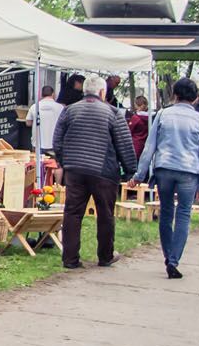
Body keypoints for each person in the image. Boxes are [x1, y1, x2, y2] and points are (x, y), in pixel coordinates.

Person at [53, 74, 137, 268]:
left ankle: (70, 258)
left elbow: (57, 140)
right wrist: (131, 170)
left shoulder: (69, 111)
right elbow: (124, 144)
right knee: (105, 213)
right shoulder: (113, 113)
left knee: (73, 213)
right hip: (104, 171)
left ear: (84, 92)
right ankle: (105, 255)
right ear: (102, 92)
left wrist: (64, 161)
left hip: (75, 170)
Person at [135, 77, 199, 279]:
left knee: (166, 212)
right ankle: (174, 259)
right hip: (189, 171)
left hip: (165, 167)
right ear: (196, 98)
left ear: (174, 95)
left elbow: (149, 146)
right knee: (184, 215)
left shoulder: (163, 115)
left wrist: (139, 174)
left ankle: (167, 255)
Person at [129, 95, 152, 162]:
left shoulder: (135, 118)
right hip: (146, 147)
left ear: (136, 105)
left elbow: (129, 131)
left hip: (135, 147)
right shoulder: (151, 118)